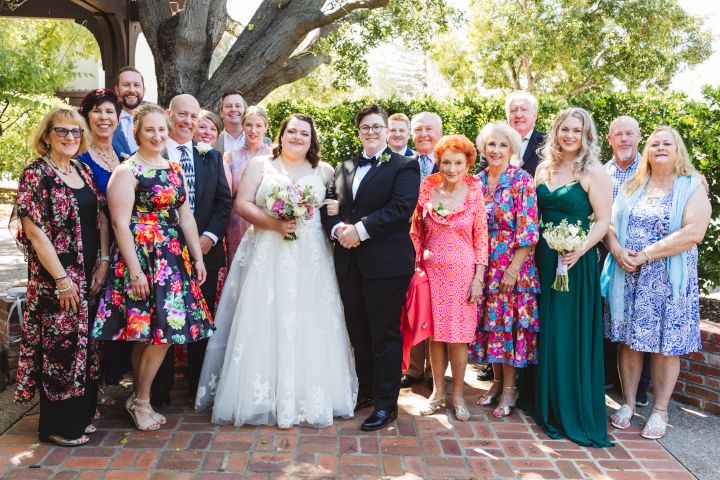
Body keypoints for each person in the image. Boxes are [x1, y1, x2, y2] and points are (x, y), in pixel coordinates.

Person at [196, 114, 358, 428]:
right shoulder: (260, 164)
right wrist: (273, 224)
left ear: (312, 140)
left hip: (311, 256)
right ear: (281, 136)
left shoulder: (324, 170)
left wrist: (337, 211)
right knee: (264, 317)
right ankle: (260, 396)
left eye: (304, 134)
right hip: (267, 250)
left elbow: (335, 209)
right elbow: (242, 204)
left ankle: (306, 394)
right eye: (292, 131)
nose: (297, 137)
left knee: (310, 319)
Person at [91, 103, 215, 431]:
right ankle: (142, 401)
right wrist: (135, 271)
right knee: (151, 334)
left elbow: (185, 217)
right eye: (150, 130)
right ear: (137, 133)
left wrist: (197, 258)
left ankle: (138, 399)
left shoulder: (173, 169)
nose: (157, 135)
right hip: (142, 258)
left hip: (172, 259)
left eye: (162, 129)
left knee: (160, 333)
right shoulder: (127, 171)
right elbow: (119, 224)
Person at [602, 127, 711, 439]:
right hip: (628, 275)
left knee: (665, 345)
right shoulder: (634, 184)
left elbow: (694, 232)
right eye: (655, 144)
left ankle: (660, 410)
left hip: (667, 281)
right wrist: (617, 249)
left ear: (678, 151)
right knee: (628, 341)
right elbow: (609, 223)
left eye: (667, 144)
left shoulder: (691, 185)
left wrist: (646, 254)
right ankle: (628, 403)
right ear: (646, 151)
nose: (660, 148)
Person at [11, 107, 110, 446]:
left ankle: (80, 419)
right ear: (47, 136)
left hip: (88, 274)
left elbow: (100, 217)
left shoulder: (83, 169)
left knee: (87, 348)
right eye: (62, 131)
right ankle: (58, 426)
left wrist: (103, 262)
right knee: (60, 349)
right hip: (56, 279)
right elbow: (34, 231)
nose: (70, 137)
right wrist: (62, 280)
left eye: (75, 131)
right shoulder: (36, 174)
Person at [519, 107, 613, 448]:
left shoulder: (593, 171)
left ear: (586, 135)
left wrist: (580, 250)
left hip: (575, 261)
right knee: (544, 325)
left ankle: (569, 406)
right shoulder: (544, 167)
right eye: (565, 129)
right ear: (556, 132)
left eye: (577, 130)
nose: (570, 135)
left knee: (567, 329)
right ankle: (542, 398)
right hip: (543, 259)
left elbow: (603, 220)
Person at [322, 104, 420, 431]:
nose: (372, 132)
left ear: (387, 130)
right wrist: (339, 230)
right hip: (349, 262)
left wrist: (359, 231)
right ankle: (365, 390)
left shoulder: (404, 166)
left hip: (386, 263)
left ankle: (386, 404)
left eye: (377, 126)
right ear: (359, 131)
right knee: (358, 331)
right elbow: (329, 207)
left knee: (384, 333)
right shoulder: (344, 167)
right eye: (366, 127)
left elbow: (400, 209)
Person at [150, 94, 232, 406]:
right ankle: (159, 391)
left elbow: (223, 202)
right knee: (162, 318)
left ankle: (198, 387)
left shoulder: (211, 157)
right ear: (169, 114)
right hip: (162, 253)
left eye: (193, 116)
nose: (188, 121)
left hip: (206, 252)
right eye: (182, 114)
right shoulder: (153, 153)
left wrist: (208, 237)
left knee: (201, 317)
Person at [410, 134, 488, 422]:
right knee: (435, 336)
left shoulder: (474, 193)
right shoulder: (426, 189)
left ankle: (457, 396)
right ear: (438, 163)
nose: (451, 168)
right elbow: (416, 231)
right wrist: (415, 267)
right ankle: (437, 392)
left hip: (463, 274)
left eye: (458, 163)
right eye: (446, 162)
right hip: (431, 274)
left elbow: (482, 239)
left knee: (458, 338)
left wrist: (478, 278)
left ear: (467, 164)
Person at [470, 122, 540, 418]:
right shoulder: (476, 181)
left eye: (502, 145)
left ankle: (511, 388)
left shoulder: (522, 180)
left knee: (508, 327)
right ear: (483, 148)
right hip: (483, 265)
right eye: (491, 144)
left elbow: (529, 230)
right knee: (491, 326)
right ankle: (497, 383)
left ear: (512, 149)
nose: (496, 150)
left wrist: (512, 270)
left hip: (512, 266)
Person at [601, 115, 648, 402]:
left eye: (629, 133)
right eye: (618, 134)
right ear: (609, 140)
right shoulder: (602, 172)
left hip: (644, 256)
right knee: (609, 314)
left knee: (640, 319)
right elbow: (600, 215)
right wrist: (615, 248)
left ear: (639, 137)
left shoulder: (650, 169)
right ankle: (610, 377)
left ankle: (639, 385)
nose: (624, 139)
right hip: (608, 251)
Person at [402, 111, 442, 388]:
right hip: (409, 242)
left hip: (441, 246)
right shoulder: (404, 164)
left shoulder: (452, 162)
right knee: (414, 301)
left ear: (440, 133)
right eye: (418, 130)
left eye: (429, 129)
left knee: (437, 305)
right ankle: (414, 369)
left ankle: (435, 373)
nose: (423, 134)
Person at [225, 105, 272, 262]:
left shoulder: (275, 157)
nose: (253, 130)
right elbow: (225, 195)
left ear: (266, 127)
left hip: (267, 220)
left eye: (258, 125)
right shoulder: (230, 158)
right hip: (237, 222)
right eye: (249, 125)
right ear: (243, 126)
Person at [77, 89, 124, 194]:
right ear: (86, 118)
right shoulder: (79, 158)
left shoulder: (122, 156)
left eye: (109, 112)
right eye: (97, 111)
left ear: (118, 118)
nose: (103, 117)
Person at [505, 91, 545, 177]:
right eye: (514, 110)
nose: (518, 115)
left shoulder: (548, 143)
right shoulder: (494, 142)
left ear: (534, 115)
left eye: (524, 110)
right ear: (507, 116)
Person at [113, 66, 146, 155]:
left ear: (144, 90)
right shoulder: (108, 120)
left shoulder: (154, 120)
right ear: (117, 90)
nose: (132, 90)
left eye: (136, 85)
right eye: (126, 85)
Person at [213, 90, 247, 154]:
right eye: (228, 106)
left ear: (245, 111)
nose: (233, 109)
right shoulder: (212, 142)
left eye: (238, 106)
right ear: (221, 112)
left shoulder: (264, 142)